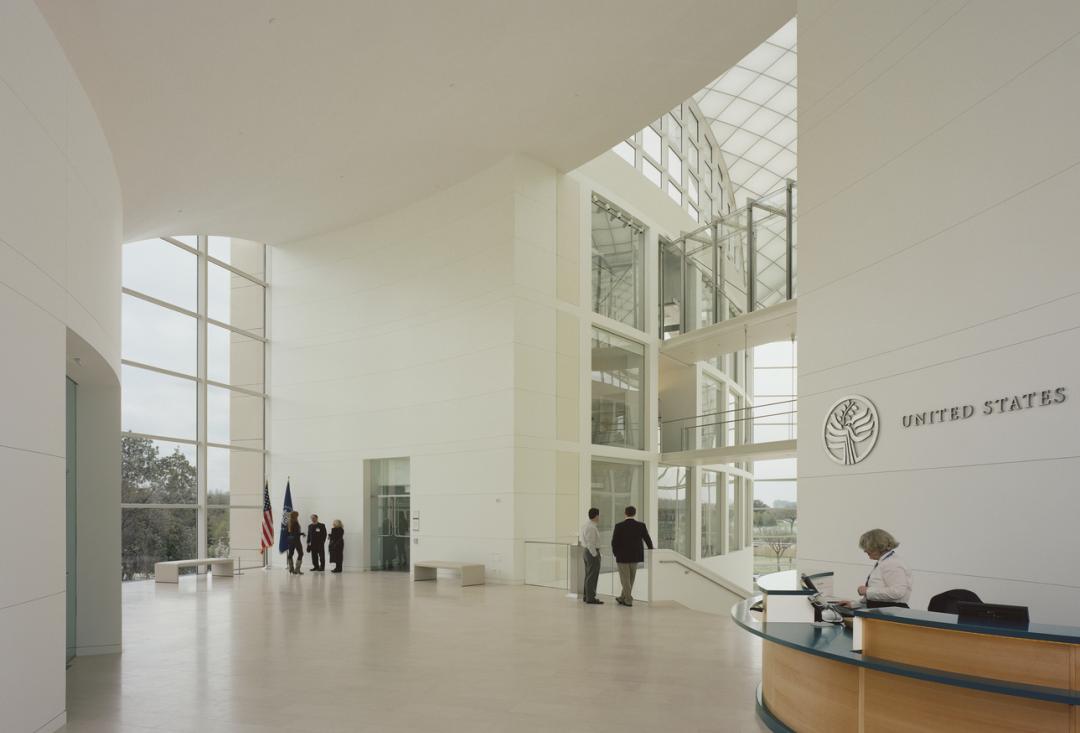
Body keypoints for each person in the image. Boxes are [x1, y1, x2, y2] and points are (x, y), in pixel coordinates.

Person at [849, 528, 912, 609]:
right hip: (882, 609)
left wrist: (867, 591)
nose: (865, 551)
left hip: (891, 612)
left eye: (867, 547)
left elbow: (897, 592)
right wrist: (855, 604)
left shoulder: (892, 564)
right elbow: (877, 597)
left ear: (879, 546)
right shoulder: (884, 562)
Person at [610, 505, 653, 607]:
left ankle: (628, 600)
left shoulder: (619, 526)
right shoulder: (641, 525)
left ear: (625, 513)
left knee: (625, 579)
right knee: (631, 578)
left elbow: (614, 542)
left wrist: (616, 553)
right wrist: (651, 549)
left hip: (622, 556)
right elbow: (647, 539)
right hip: (635, 556)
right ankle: (622, 597)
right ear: (634, 513)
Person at [579, 508, 602, 604]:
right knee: (592, 576)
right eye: (599, 515)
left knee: (588, 575)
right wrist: (595, 554)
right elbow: (590, 543)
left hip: (587, 552)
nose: (599, 517)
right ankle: (591, 598)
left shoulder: (586, 525)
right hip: (591, 553)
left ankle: (587, 596)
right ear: (596, 516)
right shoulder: (591, 527)